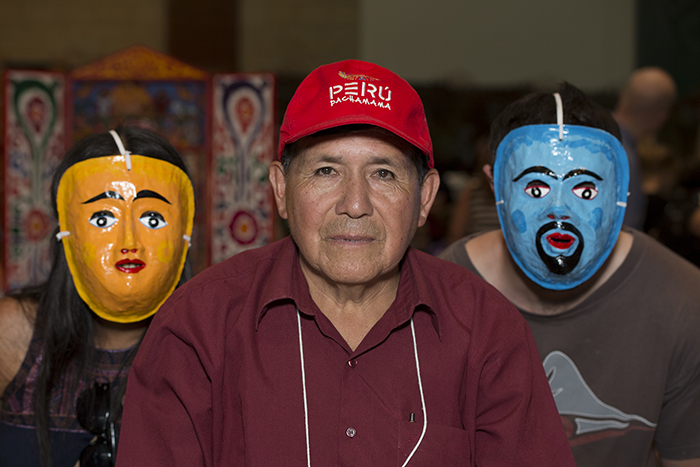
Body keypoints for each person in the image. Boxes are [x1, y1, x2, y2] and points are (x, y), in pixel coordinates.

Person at [115, 60, 575, 466]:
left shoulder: (485, 329)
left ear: (425, 199)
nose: (355, 204)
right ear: (280, 190)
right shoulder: (198, 326)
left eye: (383, 174)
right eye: (325, 171)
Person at [440, 83, 700, 467]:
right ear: (494, 183)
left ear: (619, 189)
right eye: (535, 186)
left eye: (585, 190)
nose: (558, 212)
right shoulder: (438, 296)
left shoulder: (682, 300)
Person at [0, 127, 195, 467]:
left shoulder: (209, 352)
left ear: (183, 233)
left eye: (152, 218)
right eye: (102, 218)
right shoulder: (11, 334)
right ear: (67, 231)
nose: (129, 242)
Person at [612, 67, 677, 230]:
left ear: (623, 96)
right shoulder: (625, 159)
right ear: (662, 116)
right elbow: (626, 233)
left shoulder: (587, 132)